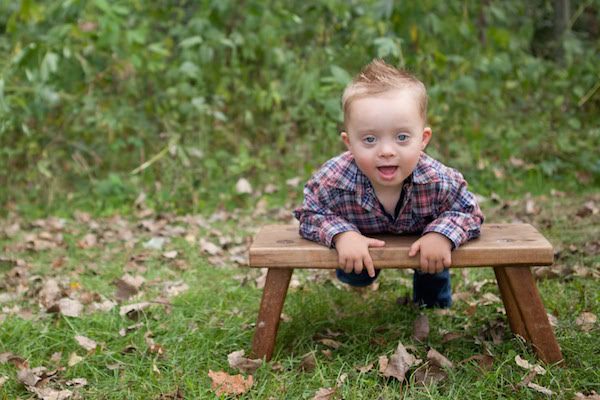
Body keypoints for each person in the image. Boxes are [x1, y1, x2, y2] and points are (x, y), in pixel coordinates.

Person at [293, 59, 484, 308]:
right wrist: (342, 234)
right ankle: (357, 274)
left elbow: (468, 210)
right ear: (349, 142)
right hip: (362, 231)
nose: (386, 151)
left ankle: (432, 301)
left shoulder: (438, 180)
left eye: (402, 137)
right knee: (355, 266)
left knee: (433, 260)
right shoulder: (334, 179)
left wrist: (442, 234)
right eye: (370, 139)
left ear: (423, 139)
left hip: (421, 236)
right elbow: (309, 212)